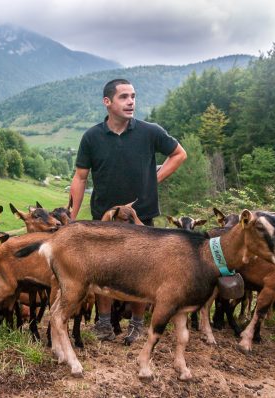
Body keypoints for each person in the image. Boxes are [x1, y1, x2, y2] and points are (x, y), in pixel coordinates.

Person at [69, 78, 187, 344]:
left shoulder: (150, 132)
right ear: (107, 102)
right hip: (104, 217)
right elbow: (80, 177)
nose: (131, 101)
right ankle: (103, 325)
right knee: (102, 270)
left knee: (142, 272)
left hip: (141, 215)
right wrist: (72, 218)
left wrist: (153, 179)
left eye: (133, 96)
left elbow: (179, 154)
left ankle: (136, 325)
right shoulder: (92, 137)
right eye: (123, 97)